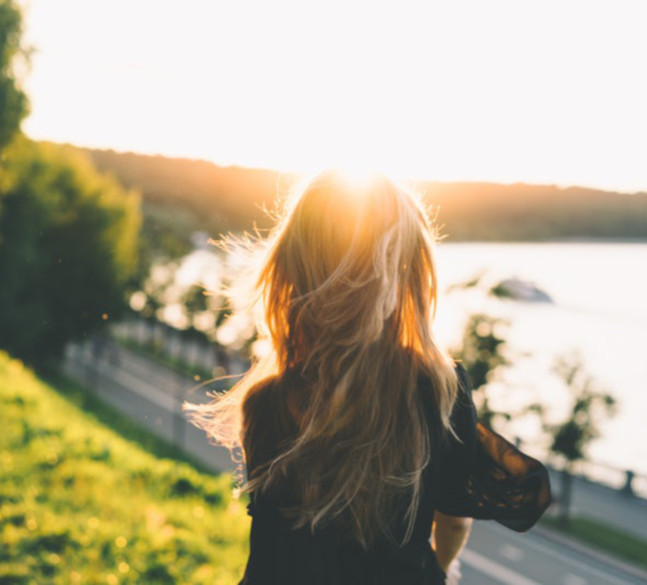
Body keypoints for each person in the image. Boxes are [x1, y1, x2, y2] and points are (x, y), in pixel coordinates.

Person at [186, 170, 551, 584]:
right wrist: (443, 569)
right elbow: (453, 521)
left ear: (292, 267)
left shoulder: (263, 401)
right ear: (405, 277)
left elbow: (283, 541)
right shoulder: (437, 391)